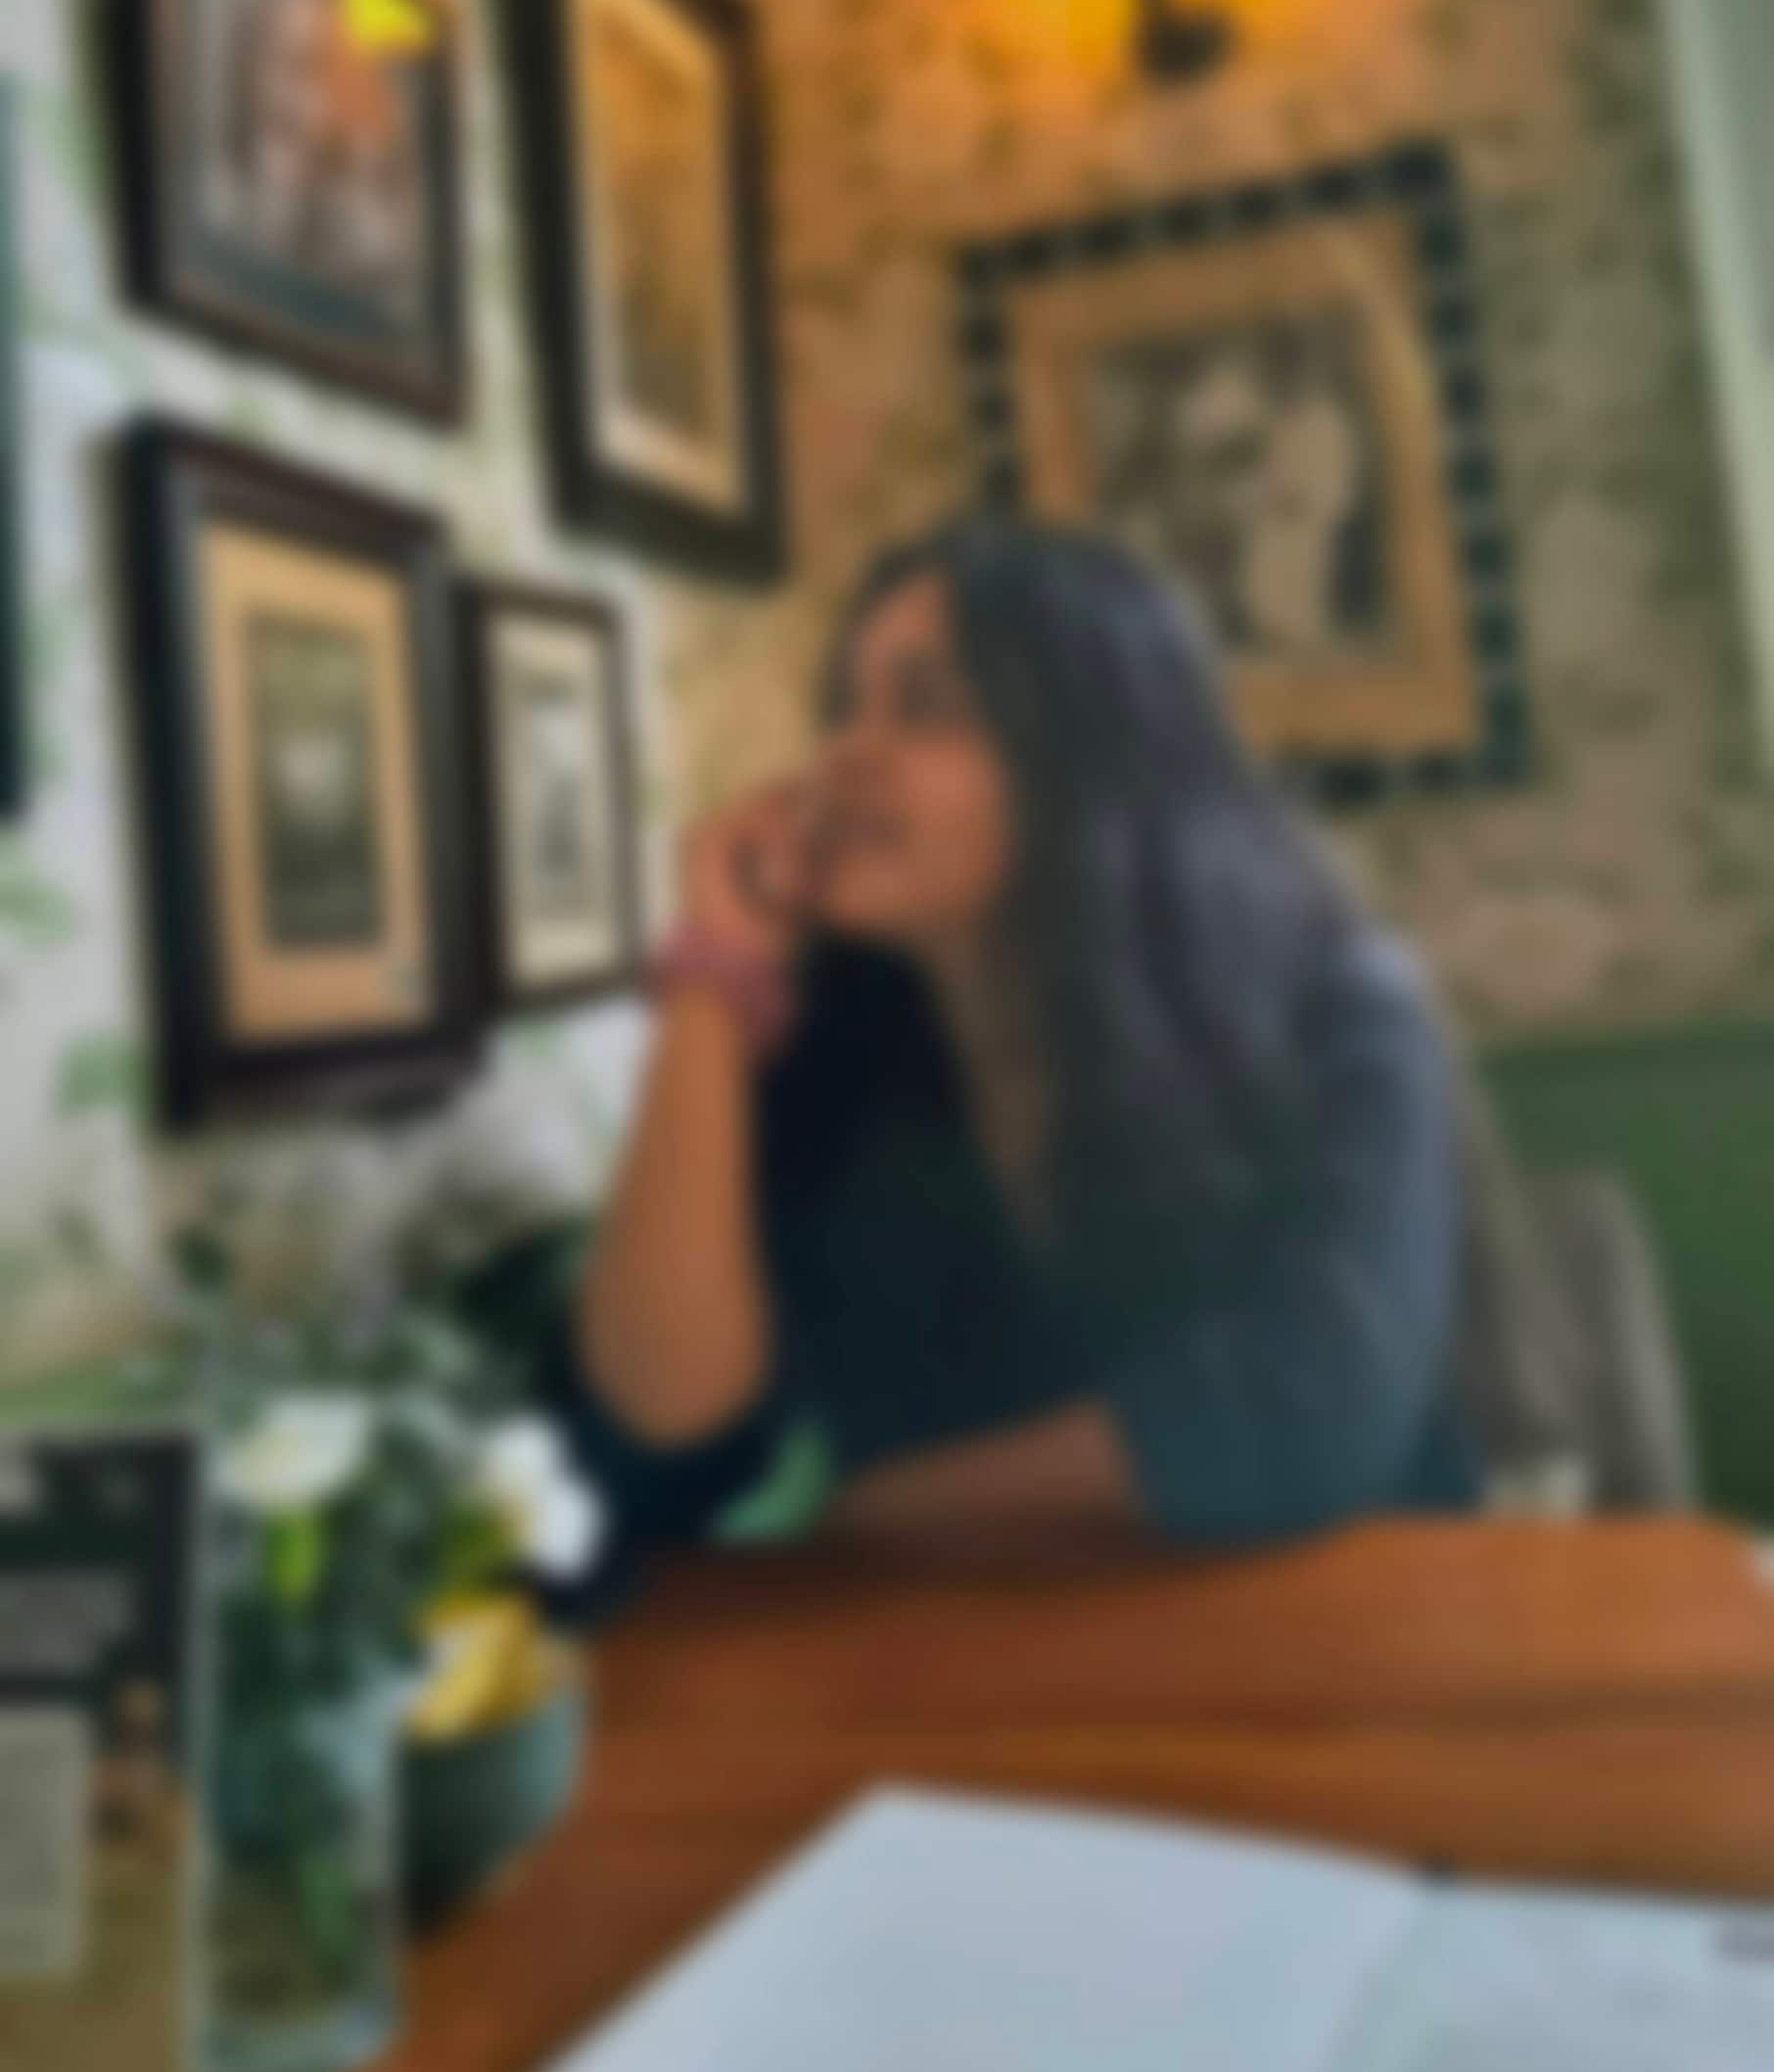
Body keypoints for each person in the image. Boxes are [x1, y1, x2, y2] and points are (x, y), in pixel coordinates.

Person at [548, 518, 1474, 1584]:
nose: (845, 753)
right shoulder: (840, 1053)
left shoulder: (1346, 1010)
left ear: (1086, 760)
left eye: (925, 707)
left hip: (1345, 1629)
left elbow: (1311, 1407)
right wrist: (712, 974)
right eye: (846, 706)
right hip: (980, 1659)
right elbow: (659, 1438)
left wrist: (882, 1509)